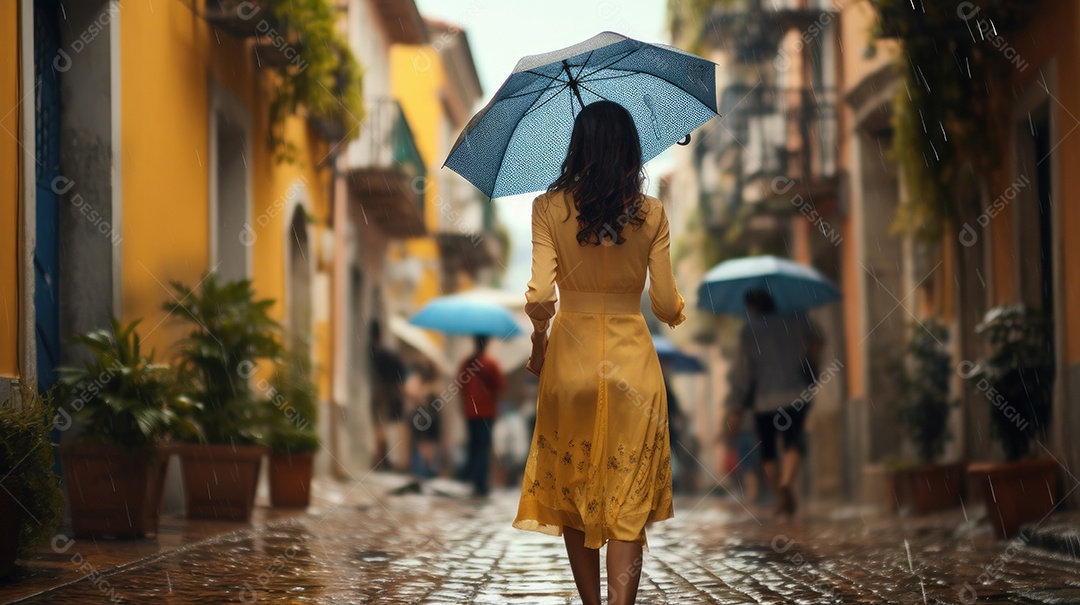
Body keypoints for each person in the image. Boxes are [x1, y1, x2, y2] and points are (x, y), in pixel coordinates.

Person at [513, 100, 685, 605]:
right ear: (632, 150)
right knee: (628, 497)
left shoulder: (548, 207)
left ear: (577, 147)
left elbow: (542, 298)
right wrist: (677, 311)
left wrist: (539, 339)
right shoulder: (651, 212)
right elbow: (665, 302)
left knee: (573, 492)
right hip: (634, 364)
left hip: (571, 360)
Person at [723, 288, 823, 517]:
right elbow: (818, 340)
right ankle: (788, 481)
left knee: (767, 450)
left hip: (764, 400)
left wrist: (736, 404)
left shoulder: (749, 331)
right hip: (795, 394)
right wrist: (811, 363)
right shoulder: (796, 319)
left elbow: (743, 372)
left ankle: (780, 492)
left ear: (752, 308)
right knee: (793, 440)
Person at [458, 335, 505, 497]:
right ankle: (480, 482)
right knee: (483, 446)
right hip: (486, 411)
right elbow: (500, 385)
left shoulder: (466, 363)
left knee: (474, 445)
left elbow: (460, 386)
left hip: (471, 411)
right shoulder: (491, 363)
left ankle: (474, 479)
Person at [369, 320, 406, 471]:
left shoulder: (373, 353)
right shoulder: (388, 354)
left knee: (379, 424)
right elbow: (400, 372)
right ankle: (382, 459)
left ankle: (380, 459)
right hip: (388, 392)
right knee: (384, 425)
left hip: (380, 391)